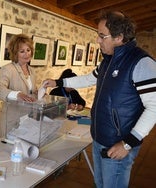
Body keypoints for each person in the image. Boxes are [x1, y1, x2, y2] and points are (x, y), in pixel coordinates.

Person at [43, 11, 156, 188]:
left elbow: (154, 108)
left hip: (118, 144)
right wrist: (58, 82)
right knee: (100, 183)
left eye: (102, 36)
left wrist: (127, 144)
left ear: (119, 37)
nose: (98, 40)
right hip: (99, 138)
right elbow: (89, 78)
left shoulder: (141, 63)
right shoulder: (109, 60)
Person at [0, 34, 37, 137]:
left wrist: (39, 93)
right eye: (22, 51)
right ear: (15, 53)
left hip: (28, 121)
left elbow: (30, 93)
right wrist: (17, 94)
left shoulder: (32, 71)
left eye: (28, 50)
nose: (26, 54)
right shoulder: (8, 69)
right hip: (11, 123)